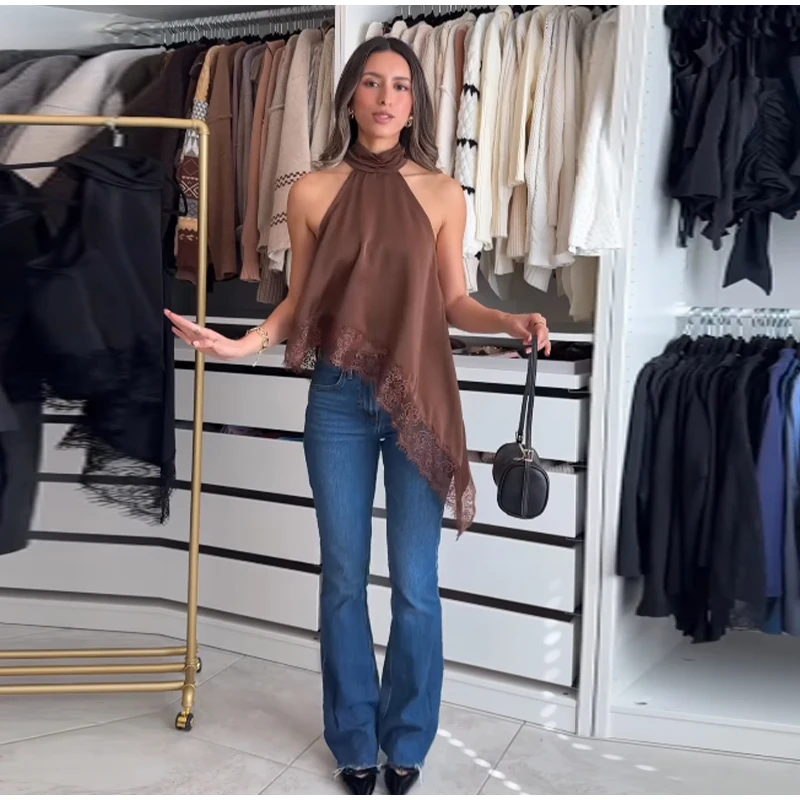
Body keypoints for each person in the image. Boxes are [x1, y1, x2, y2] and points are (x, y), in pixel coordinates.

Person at [166, 36, 550, 796]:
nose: (385, 98)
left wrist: (508, 321)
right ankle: (351, 738)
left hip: (419, 399)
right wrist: (241, 344)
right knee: (342, 577)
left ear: (415, 105)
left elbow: (454, 300)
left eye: (400, 86)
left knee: (415, 583)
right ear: (349, 97)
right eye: (372, 83)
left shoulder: (443, 193)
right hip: (338, 401)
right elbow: (300, 303)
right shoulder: (310, 191)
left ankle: (406, 738)